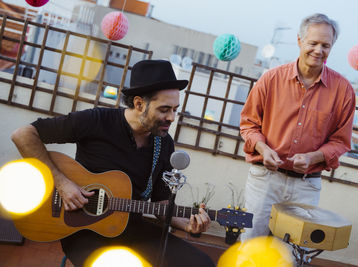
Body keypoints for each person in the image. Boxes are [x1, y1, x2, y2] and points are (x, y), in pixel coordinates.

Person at [11, 60, 215, 267]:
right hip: (83, 231)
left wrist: (188, 224)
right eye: (164, 109)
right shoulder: (96, 121)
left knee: (201, 263)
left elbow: (161, 205)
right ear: (138, 104)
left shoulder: (164, 144)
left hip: (132, 229)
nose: (171, 117)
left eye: (175, 110)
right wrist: (62, 184)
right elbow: (23, 135)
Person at [239, 13, 356, 240]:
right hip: (265, 179)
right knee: (251, 246)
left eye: (325, 45)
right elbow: (248, 125)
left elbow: (341, 141)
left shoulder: (344, 91)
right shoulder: (270, 79)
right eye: (313, 43)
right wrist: (264, 150)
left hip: (306, 187)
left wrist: (314, 157)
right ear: (300, 41)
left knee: (291, 255)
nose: (318, 50)